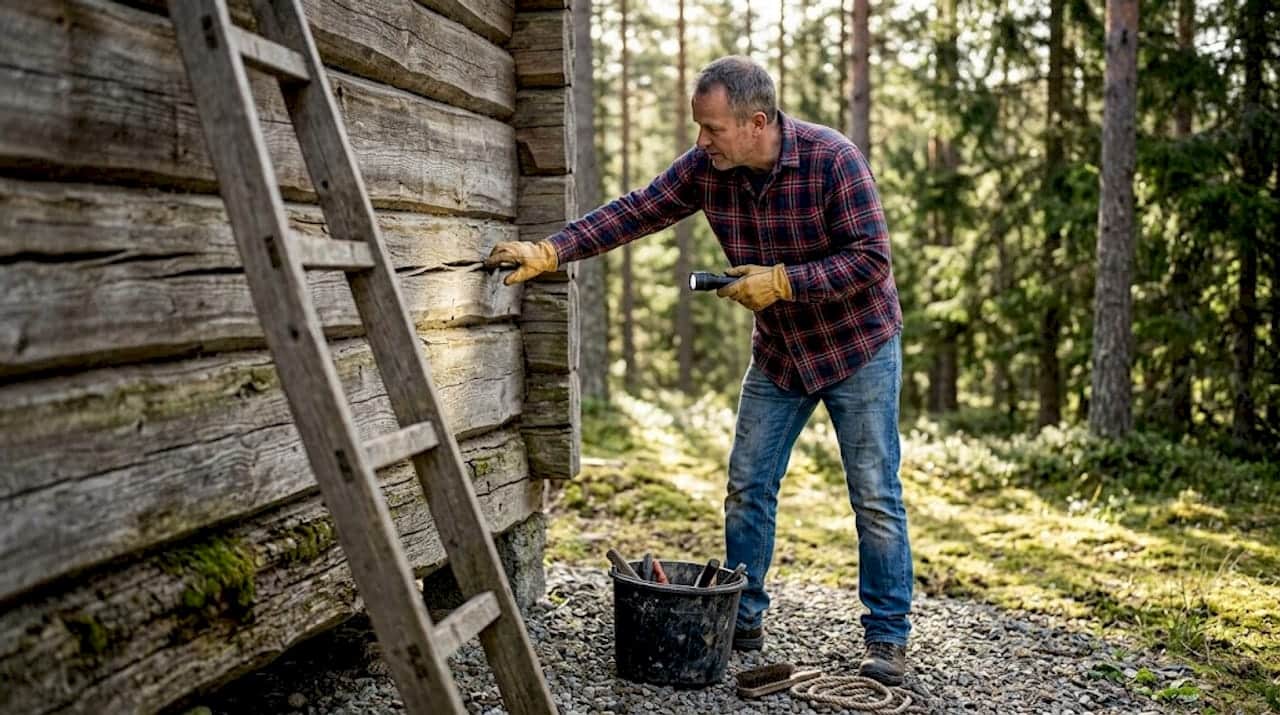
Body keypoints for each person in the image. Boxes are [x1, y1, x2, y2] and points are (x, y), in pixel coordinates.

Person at [486, 55, 913, 686]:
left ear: (756, 122)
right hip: (780, 354)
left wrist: (784, 281)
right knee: (747, 487)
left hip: (859, 348)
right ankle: (741, 619)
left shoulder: (833, 160)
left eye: (711, 129)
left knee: (874, 496)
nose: (700, 141)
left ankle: (886, 640)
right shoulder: (708, 170)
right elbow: (636, 210)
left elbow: (871, 261)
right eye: (700, 128)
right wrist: (551, 250)